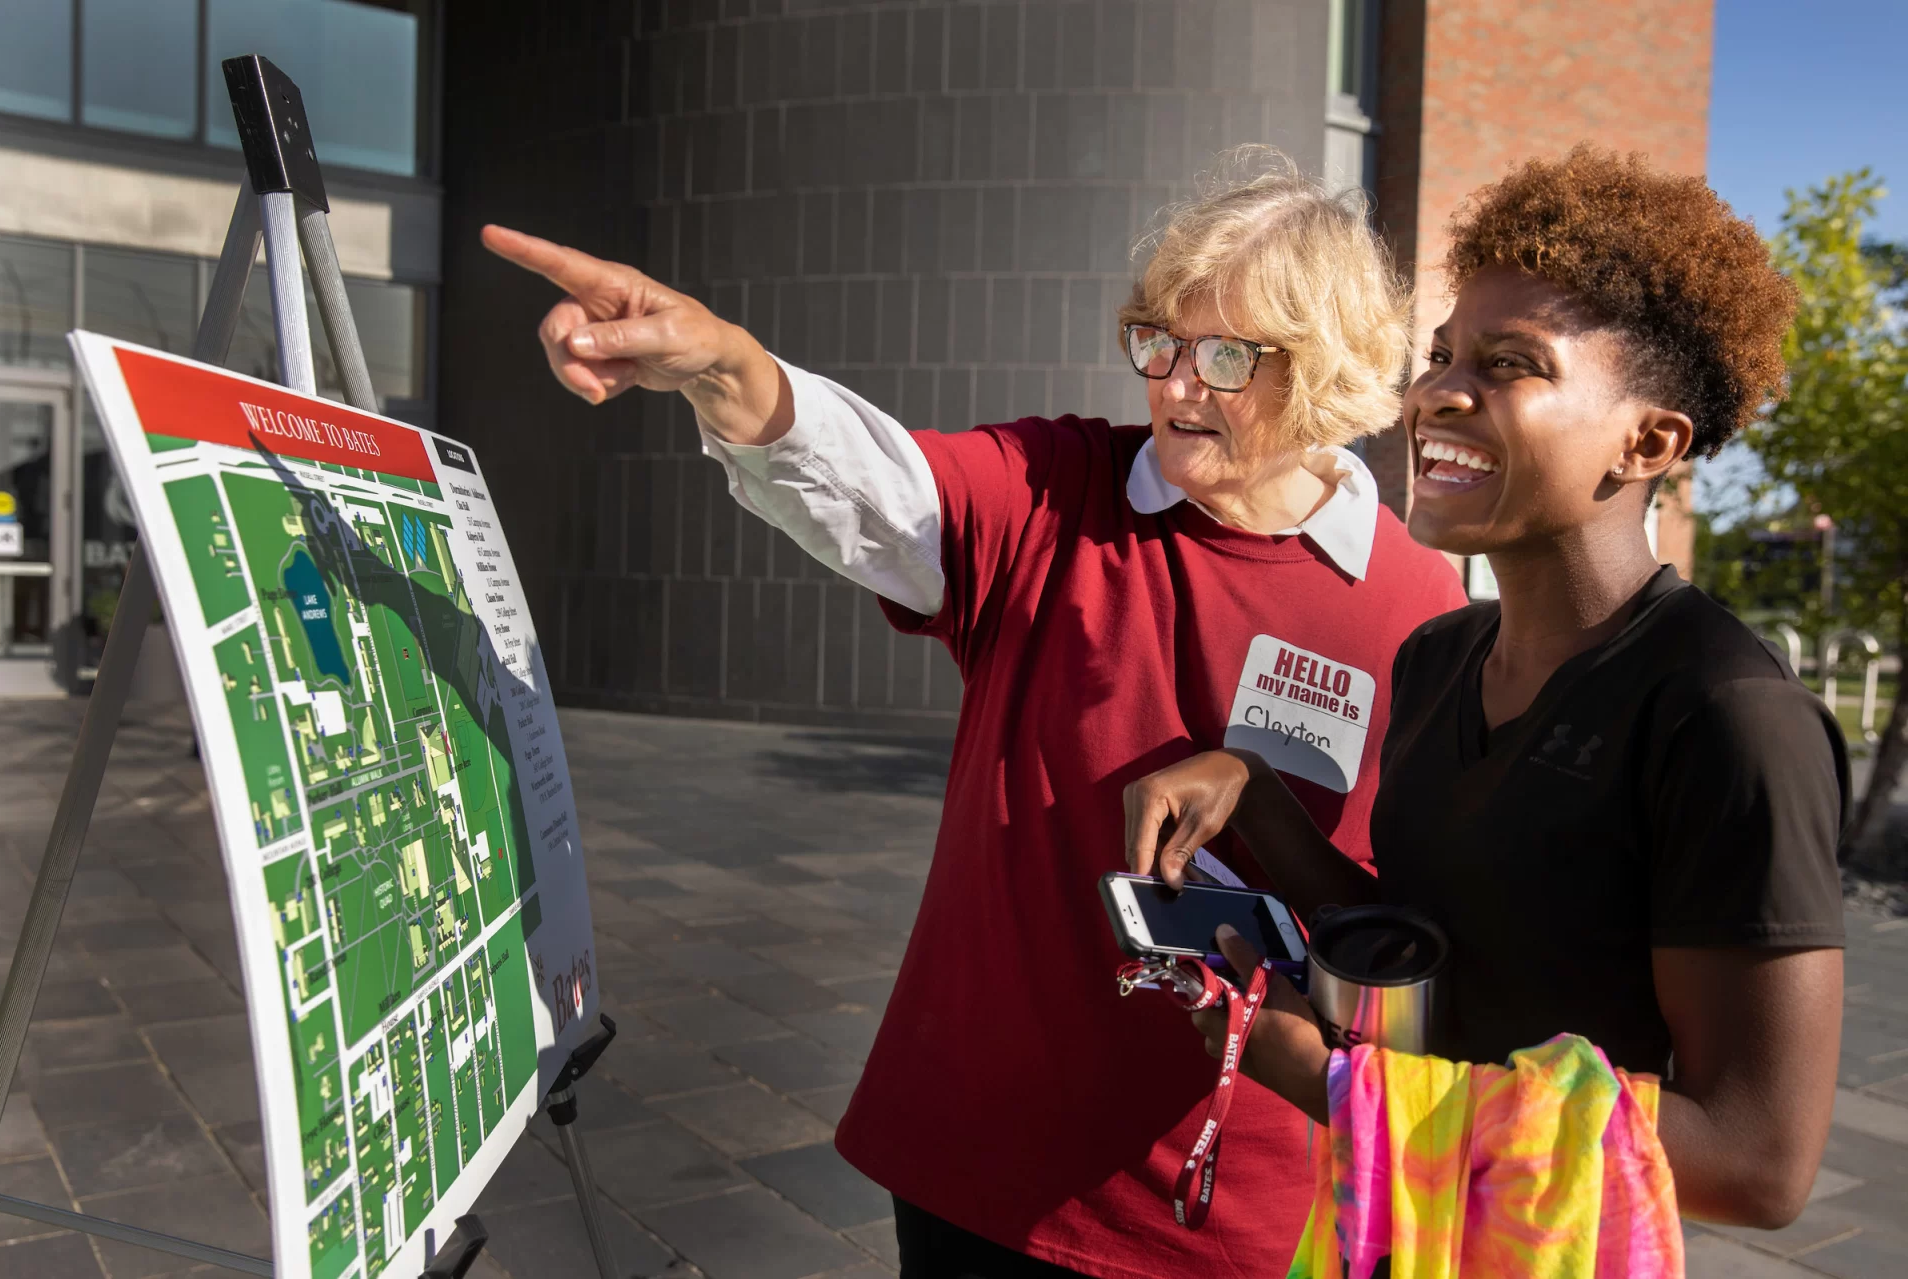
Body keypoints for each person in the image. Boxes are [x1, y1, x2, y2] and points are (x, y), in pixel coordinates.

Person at [486, 152, 1468, 1277]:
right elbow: (877, 486)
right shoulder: (1064, 492)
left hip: (1235, 1196)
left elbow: (1410, 914)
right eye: (1158, 340)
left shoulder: (1419, 609)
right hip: (980, 1162)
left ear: (1327, 369)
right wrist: (724, 368)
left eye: (1226, 357)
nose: (1175, 386)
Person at [1125, 145, 1845, 1231]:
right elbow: (1429, 950)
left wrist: (1342, 1088)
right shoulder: (1437, 657)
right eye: (1441, 352)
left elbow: (1755, 1159)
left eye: (1511, 364)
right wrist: (1257, 797)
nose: (1437, 391)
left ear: (1646, 441)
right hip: (1394, 1234)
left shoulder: (1722, 713)